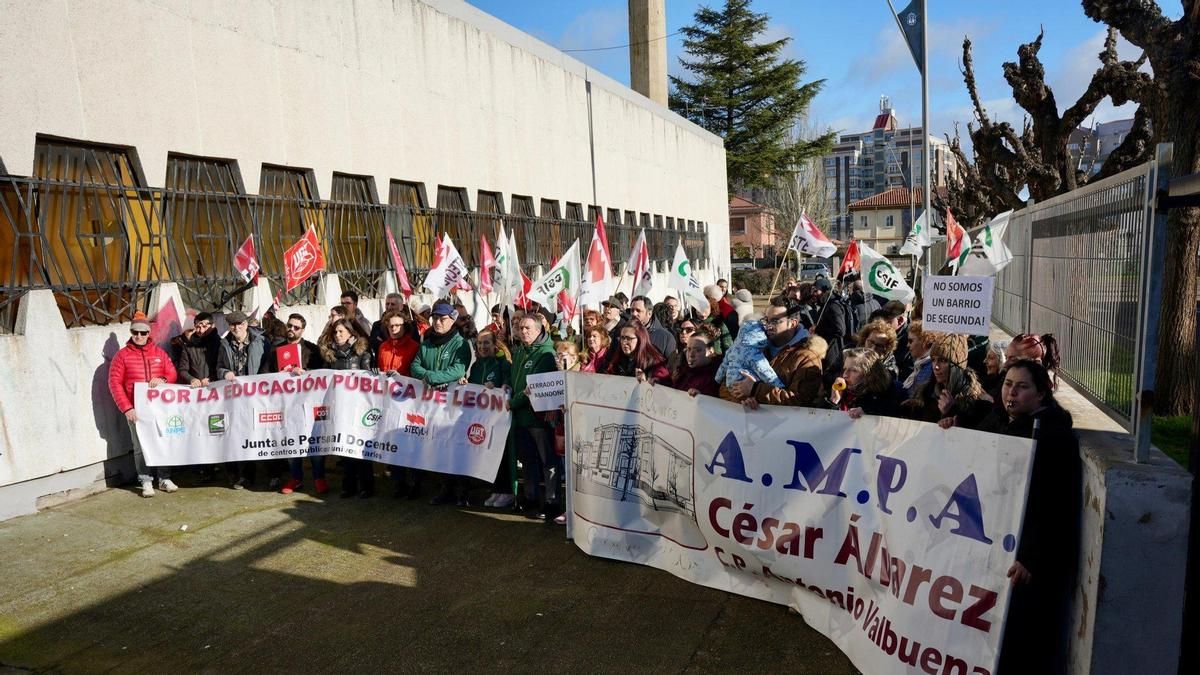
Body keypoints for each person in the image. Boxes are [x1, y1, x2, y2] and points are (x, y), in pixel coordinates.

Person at [975, 360, 1081, 673]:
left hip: (1026, 564)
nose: (1012, 393)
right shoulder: (999, 421)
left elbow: (1057, 506)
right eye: (1008, 384)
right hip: (996, 548)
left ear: (1041, 393)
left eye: (1022, 387)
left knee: (1021, 645)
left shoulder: (1054, 437)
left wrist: (1032, 558)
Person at [108, 312, 179, 497]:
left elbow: (172, 374)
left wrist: (163, 379)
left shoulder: (159, 353)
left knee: (162, 441)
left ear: (149, 334)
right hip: (136, 410)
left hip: (159, 409)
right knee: (140, 446)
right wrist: (127, 408)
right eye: (135, 332)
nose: (139, 336)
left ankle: (164, 478)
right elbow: (114, 383)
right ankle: (145, 480)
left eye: (143, 332)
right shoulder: (121, 356)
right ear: (131, 332)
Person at [412, 302, 474, 505]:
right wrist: (429, 375)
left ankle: (463, 491)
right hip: (432, 404)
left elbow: (458, 369)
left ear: (452, 320)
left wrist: (431, 377)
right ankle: (445, 489)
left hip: (453, 403)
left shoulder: (460, 343)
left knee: (457, 445)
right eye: (435, 318)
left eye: (442, 319)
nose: (438, 322)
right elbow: (415, 366)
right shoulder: (427, 343)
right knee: (440, 446)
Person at [509, 313, 560, 521]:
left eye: (528, 328)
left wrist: (511, 403)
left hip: (537, 418)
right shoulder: (520, 351)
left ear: (539, 330)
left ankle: (552, 501)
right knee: (528, 460)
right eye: (521, 328)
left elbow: (534, 388)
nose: (523, 332)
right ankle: (530, 497)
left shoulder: (545, 354)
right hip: (521, 417)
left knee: (547, 460)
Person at [268, 314, 326, 495]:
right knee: (291, 441)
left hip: (308, 403)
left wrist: (306, 373)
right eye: (290, 326)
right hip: (285, 403)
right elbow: (265, 374)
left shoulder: (312, 349)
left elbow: (321, 374)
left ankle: (319, 477)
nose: (291, 330)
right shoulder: (275, 349)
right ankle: (296, 478)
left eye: (296, 327)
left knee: (314, 440)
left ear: (303, 330)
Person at [728, 297, 822, 408]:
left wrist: (755, 389)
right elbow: (731, 382)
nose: (768, 326)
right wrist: (743, 398)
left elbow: (800, 401)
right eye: (766, 320)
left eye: (775, 321)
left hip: (788, 424)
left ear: (793, 323)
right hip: (755, 422)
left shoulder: (807, 358)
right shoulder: (755, 346)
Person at [217, 311, 273, 490]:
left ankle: (274, 473)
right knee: (242, 435)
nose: (236, 328)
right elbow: (218, 367)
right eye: (232, 325)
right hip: (236, 398)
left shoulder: (261, 341)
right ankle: (246, 476)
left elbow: (269, 364)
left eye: (240, 324)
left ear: (246, 324)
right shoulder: (224, 344)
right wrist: (225, 373)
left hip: (259, 395)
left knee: (265, 434)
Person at [320, 318, 375, 497]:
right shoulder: (329, 355)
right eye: (335, 332)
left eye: (341, 331)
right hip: (339, 407)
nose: (337, 335)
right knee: (344, 449)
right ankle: (348, 485)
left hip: (358, 408)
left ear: (351, 333)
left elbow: (368, 379)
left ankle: (366, 486)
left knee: (359, 448)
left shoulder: (362, 353)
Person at [468, 330, 515, 509]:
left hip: (499, 419)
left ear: (495, 344)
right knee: (488, 454)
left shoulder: (503, 363)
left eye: (486, 343)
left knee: (501, 455)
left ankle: (507, 491)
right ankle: (496, 489)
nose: (482, 347)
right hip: (483, 418)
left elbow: (508, 384)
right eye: (480, 343)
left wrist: (497, 387)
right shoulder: (477, 366)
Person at [904, 334, 992, 429]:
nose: (936, 367)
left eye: (943, 360)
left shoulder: (976, 401)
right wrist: (915, 408)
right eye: (933, 360)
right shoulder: (926, 392)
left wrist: (951, 411)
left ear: (957, 365)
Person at [828, 348, 903, 419]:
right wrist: (834, 401)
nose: (845, 375)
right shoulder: (842, 392)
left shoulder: (885, 398)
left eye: (854, 370)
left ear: (869, 374)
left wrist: (867, 412)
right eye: (845, 369)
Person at [603, 322, 670, 384]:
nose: (624, 342)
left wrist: (647, 381)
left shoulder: (654, 362)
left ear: (640, 339)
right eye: (622, 338)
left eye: (628, 338)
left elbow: (664, 386)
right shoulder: (618, 357)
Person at [670, 323, 722, 398]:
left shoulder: (717, 377)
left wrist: (702, 397)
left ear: (710, 351)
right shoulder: (681, 371)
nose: (691, 355)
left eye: (698, 350)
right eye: (689, 349)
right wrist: (659, 383)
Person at [176, 312, 220, 388]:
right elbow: (183, 370)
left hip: (216, 388)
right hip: (196, 390)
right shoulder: (189, 346)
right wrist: (191, 379)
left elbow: (224, 367)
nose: (201, 330)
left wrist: (211, 378)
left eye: (204, 326)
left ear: (212, 325)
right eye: (198, 327)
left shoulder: (220, 344)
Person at [628, 295, 676, 362]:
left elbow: (671, 365)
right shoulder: (623, 332)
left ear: (649, 313)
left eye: (638, 311)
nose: (634, 314)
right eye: (632, 310)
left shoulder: (665, 337)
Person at [901, 320, 941, 397]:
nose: (907, 345)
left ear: (924, 341)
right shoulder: (921, 364)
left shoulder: (929, 368)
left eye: (910, 341)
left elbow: (912, 396)